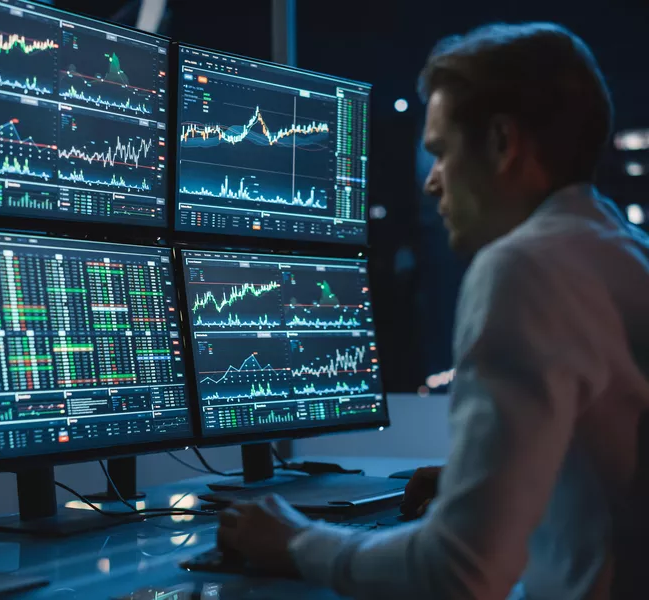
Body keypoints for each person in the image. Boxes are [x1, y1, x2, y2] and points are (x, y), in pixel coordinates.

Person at [216, 22, 649, 599]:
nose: (431, 185)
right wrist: (485, 485)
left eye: (441, 153)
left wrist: (295, 543)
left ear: (501, 142)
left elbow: (460, 572)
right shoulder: (619, 252)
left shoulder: (524, 268)